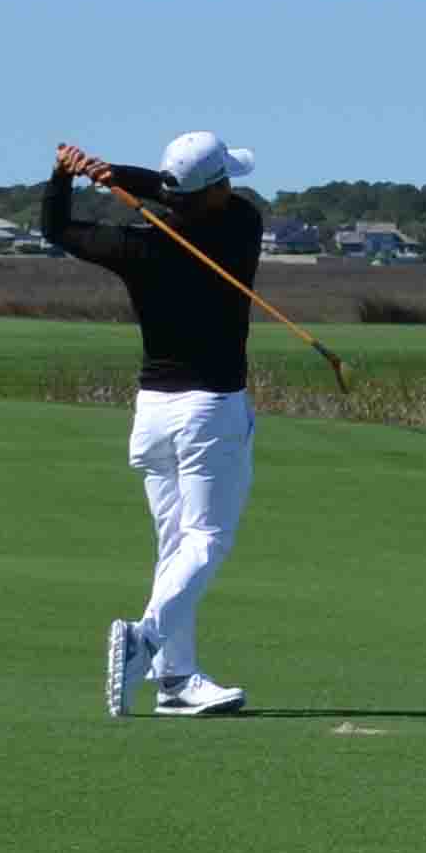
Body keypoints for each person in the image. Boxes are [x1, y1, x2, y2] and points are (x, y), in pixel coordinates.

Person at [50, 130, 270, 719]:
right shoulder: (240, 228)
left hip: (152, 412)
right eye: (225, 179)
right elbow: (176, 192)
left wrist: (70, 176)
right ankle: (145, 641)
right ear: (219, 189)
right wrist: (114, 173)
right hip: (210, 412)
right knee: (206, 540)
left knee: (174, 548)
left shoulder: (138, 248)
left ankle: (176, 679)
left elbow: (58, 230)